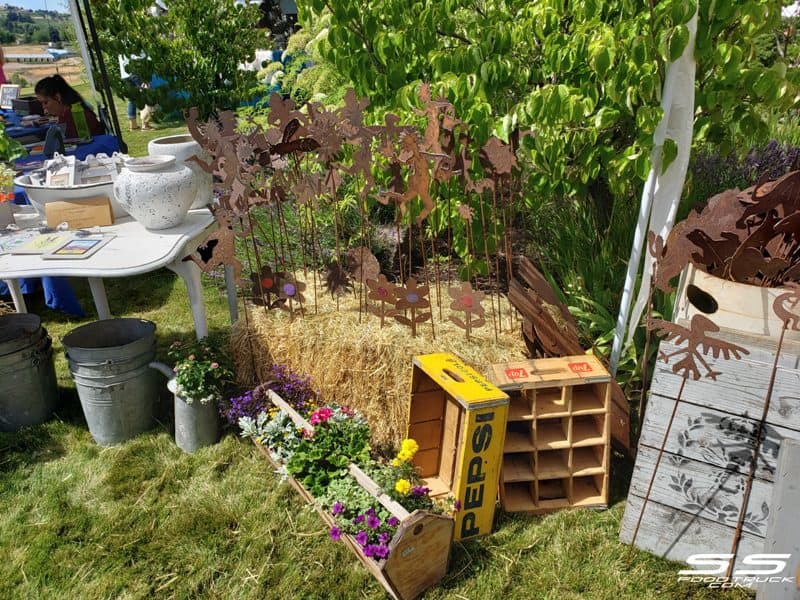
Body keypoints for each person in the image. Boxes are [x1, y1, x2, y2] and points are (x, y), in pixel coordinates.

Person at [34, 74, 105, 139]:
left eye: (45, 102)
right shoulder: (70, 110)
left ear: (57, 97)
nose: (43, 107)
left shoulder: (72, 115)